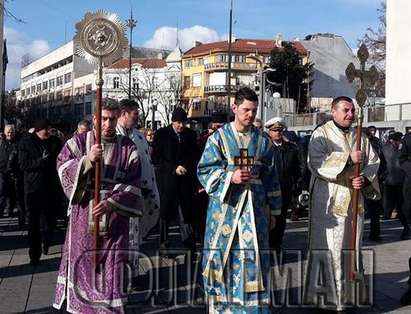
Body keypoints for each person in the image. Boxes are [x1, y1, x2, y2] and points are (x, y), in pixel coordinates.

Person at [53, 100, 143, 313]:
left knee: (110, 271)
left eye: (112, 119)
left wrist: (112, 201)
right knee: (83, 264)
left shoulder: (128, 147)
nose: (108, 124)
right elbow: (62, 165)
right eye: (103, 119)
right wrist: (86, 161)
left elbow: (134, 183)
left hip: (114, 221)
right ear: (95, 118)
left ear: (119, 117)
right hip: (84, 215)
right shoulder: (78, 142)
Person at [197, 87, 282, 313]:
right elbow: (204, 171)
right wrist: (230, 176)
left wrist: (274, 210)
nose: (250, 115)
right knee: (223, 259)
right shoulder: (219, 138)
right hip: (225, 210)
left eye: (253, 111)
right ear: (234, 108)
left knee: (254, 260)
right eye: (246, 110)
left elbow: (272, 177)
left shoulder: (263, 142)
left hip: (255, 211)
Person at [304, 96, 380, 312]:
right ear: (333, 111)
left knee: (352, 247)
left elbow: (373, 161)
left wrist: (364, 178)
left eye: (352, 111)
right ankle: (327, 297)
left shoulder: (361, 137)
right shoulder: (321, 134)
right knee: (330, 247)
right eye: (345, 110)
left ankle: (349, 295)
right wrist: (348, 159)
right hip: (328, 202)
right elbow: (316, 163)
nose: (350, 114)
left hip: (353, 200)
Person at [116, 99, 160, 269]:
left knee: (134, 236)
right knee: (119, 238)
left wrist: (149, 188)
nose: (137, 118)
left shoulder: (139, 136)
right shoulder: (114, 135)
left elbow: (147, 163)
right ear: (124, 114)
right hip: (118, 195)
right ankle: (118, 272)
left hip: (139, 192)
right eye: (135, 114)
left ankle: (132, 270)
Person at [152, 107, 198, 250]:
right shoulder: (161, 134)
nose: (181, 126)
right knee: (165, 213)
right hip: (167, 180)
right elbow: (156, 158)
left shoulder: (190, 135)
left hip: (185, 180)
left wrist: (186, 167)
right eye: (178, 123)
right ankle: (164, 242)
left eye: (183, 123)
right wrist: (173, 168)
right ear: (173, 122)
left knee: (186, 212)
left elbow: (194, 155)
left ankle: (188, 241)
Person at [18, 119, 61, 265]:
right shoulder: (26, 142)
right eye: (46, 129)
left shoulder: (55, 141)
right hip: (33, 188)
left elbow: (61, 160)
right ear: (38, 129)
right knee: (34, 223)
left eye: (50, 129)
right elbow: (23, 164)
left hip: (51, 187)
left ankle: (47, 241)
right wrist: (41, 161)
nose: (48, 132)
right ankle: (34, 255)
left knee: (50, 221)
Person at [265, 117, 303, 250]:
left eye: (280, 130)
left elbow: (298, 169)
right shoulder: (265, 148)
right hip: (268, 192)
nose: (278, 133)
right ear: (269, 131)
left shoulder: (291, 148)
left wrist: (296, 186)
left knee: (281, 221)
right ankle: (267, 246)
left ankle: (277, 246)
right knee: (268, 220)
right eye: (274, 130)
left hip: (285, 190)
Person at [381, 132, 408, 239]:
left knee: (401, 206)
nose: (400, 142)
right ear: (392, 140)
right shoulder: (385, 149)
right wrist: (383, 175)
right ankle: (387, 214)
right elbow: (382, 164)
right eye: (398, 140)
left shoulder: (400, 149)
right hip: (391, 181)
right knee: (391, 202)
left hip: (400, 181)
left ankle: (405, 226)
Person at [0, 125, 19, 219]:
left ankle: (10, 209)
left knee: (12, 192)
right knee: (2, 190)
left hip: (13, 172)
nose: (9, 134)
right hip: (2, 171)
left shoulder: (17, 143)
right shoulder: (1, 142)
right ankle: (1, 210)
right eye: (8, 132)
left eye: (11, 132)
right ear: (4, 132)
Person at [399, 132, 411, 239]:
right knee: (408, 204)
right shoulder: (408, 138)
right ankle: (407, 227)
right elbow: (402, 159)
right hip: (410, 176)